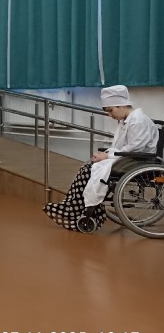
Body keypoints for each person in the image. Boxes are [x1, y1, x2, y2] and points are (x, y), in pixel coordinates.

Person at [43, 85, 157, 231]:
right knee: (87, 167)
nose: (110, 115)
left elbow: (135, 149)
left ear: (121, 104)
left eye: (111, 110)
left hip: (137, 161)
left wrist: (107, 155)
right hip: (131, 159)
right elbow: (126, 147)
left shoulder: (138, 121)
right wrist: (106, 154)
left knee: (88, 170)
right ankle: (75, 207)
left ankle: (76, 209)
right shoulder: (129, 120)